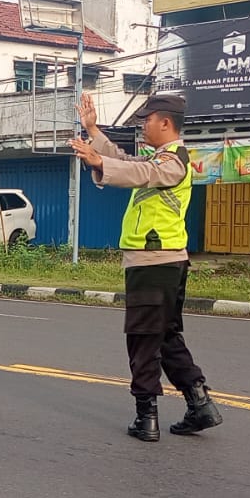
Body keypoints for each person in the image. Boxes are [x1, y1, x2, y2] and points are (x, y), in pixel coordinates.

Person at [69, 92, 222, 443]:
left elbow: (134, 170)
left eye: (146, 120)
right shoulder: (161, 159)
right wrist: (94, 132)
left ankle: (146, 417)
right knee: (165, 335)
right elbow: (128, 162)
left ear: (165, 122)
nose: (142, 126)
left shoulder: (174, 161)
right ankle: (200, 404)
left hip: (154, 262)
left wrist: (98, 161)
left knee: (142, 339)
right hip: (162, 262)